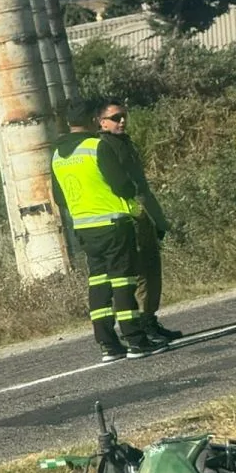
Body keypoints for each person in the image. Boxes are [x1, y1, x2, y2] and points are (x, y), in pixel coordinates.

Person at [51, 102, 168, 361]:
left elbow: (59, 197)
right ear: (94, 120)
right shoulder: (97, 147)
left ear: (69, 123)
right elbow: (122, 185)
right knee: (123, 282)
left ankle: (108, 344)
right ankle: (136, 341)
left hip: (84, 228)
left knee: (99, 283)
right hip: (113, 224)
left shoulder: (57, 154)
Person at [95, 98, 184, 344]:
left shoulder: (125, 143)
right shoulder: (104, 147)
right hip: (129, 216)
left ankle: (149, 319)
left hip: (145, 211)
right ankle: (141, 325)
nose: (122, 121)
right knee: (141, 272)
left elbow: (143, 187)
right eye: (115, 118)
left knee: (152, 269)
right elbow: (121, 186)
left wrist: (159, 221)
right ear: (102, 122)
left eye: (124, 116)